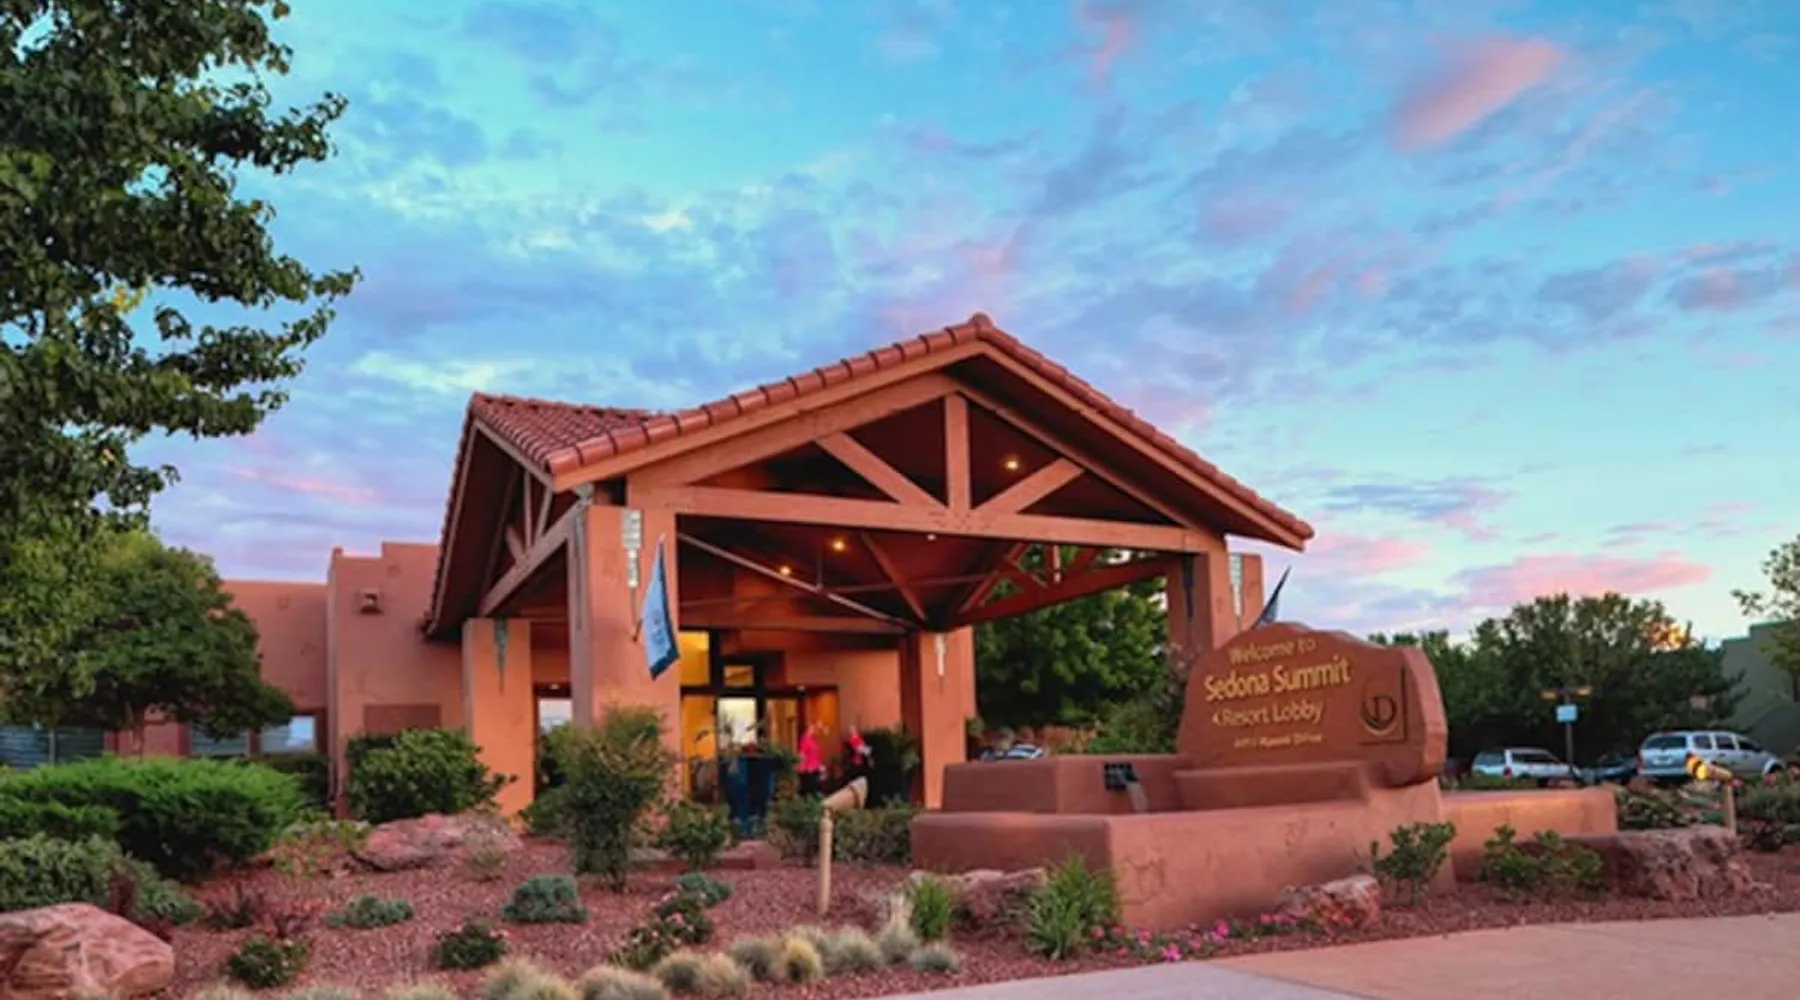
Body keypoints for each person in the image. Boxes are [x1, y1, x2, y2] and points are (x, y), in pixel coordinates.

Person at [797, 721, 826, 797]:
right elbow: (802, 754)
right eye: (812, 728)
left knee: (817, 789)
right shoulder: (805, 739)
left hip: (815, 768)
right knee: (810, 790)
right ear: (808, 729)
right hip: (809, 770)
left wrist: (820, 765)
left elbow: (816, 754)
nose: (813, 730)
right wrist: (801, 767)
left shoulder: (813, 740)